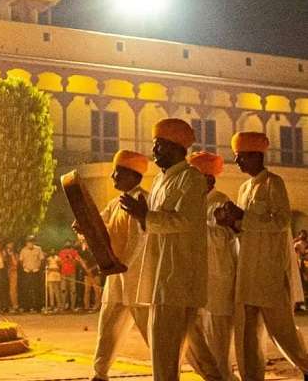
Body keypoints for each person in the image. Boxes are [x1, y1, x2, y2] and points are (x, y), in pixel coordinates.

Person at [121, 118, 221, 381]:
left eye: (159, 145)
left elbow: (185, 221)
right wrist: (142, 216)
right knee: (181, 352)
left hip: (177, 279)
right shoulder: (159, 181)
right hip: (162, 277)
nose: (154, 151)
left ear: (177, 148)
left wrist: (146, 216)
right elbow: (154, 226)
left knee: (165, 355)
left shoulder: (191, 179)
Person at [216, 132, 308, 380]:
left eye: (241, 157)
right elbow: (244, 230)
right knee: (247, 335)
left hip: (268, 274)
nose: (237, 163)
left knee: (282, 332)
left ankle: (306, 365)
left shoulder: (273, 183)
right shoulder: (244, 187)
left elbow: (280, 222)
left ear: (256, 156)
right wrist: (230, 222)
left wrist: (243, 217)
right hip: (247, 273)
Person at [82, 149, 150, 381]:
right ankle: (99, 374)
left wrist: (125, 266)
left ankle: (172, 372)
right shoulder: (114, 203)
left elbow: (141, 238)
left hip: (139, 280)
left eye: (119, 172)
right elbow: (100, 228)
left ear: (134, 176)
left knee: (153, 334)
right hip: (116, 277)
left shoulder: (144, 200)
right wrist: (83, 227)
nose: (113, 177)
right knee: (108, 328)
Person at [186, 151, 238, 381]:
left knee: (218, 350)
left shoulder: (221, 203)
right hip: (196, 286)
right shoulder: (194, 204)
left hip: (218, 286)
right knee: (196, 349)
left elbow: (224, 238)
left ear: (208, 180)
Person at [19, 235, 44, 313]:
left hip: (35, 271)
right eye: (29, 242)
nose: (30, 243)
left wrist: (38, 268)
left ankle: (38, 307)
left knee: (37, 289)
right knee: (26, 290)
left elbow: (42, 259)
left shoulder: (38, 249)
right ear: (26, 243)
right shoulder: (23, 250)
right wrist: (24, 268)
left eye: (32, 242)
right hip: (27, 272)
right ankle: (26, 307)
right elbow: (21, 261)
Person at [78, 240, 101, 311]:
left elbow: (98, 263)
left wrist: (91, 269)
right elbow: (82, 262)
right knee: (87, 290)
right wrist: (87, 270)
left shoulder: (96, 252)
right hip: (87, 274)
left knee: (97, 290)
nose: (86, 244)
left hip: (95, 273)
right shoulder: (84, 253)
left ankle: (97, 305)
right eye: (85, 243)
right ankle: (86, 306)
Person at [58, 241, 79, 311]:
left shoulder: (74, 252)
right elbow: (59, 263)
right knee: (63, 290)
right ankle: (63, 306)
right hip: (64, 273)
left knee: (73, 290)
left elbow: (77, 262)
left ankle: (72, 307)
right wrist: (65, 260)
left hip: (72, 272)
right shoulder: (61, 252)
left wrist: (71, 259)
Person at [3, 241, 20, 313]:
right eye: (8, 247)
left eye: (11, 247)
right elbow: (2, 260)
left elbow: (16, 264)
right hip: (4, 272)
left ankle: (15, 305)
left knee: (13, 289)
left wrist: (12, 255)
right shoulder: (4, 253)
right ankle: (6, 306)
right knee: (5, 289)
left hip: (13, 272)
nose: (9, 248)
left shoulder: (15, 254)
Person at [45, 248, 62, 313]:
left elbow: (60, 266)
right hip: (50, 277)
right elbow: (47, 268)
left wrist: (55, 268)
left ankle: (59, 305)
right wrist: (50, 269)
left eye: (53, 250)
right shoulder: (48, 259)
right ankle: (52, 305)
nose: (52, 251)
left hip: (57, 276)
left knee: (57, 291)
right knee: (50, 292)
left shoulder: (58, 258)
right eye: (51, 250)